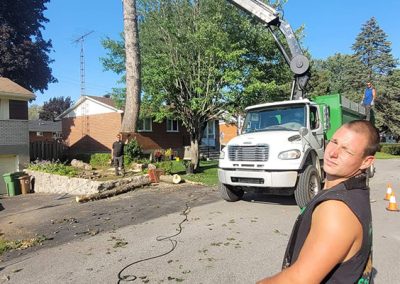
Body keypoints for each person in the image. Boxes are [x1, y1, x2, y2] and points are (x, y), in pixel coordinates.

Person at [257, 120, 379, 283]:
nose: (333, 153)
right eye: (334, 142)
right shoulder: (354, 191)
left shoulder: (337, 209)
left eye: (347, 151)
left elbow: (298, 280)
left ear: (366, 161)